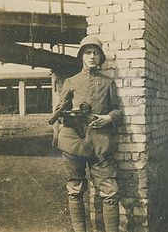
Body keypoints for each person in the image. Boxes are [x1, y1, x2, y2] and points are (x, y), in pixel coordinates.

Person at [54, 35, 121, 232]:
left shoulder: (108, 83)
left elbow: (117, 110)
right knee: (75, 189)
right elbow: (59, 111)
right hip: (73, 141)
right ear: (81, 56)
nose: (92, 56)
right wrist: (66, 112)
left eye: (96, 53)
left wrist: (108, 118)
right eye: (88, 52)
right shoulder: (71, 81)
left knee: (110, 192)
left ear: (101, 57)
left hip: (100, 143)